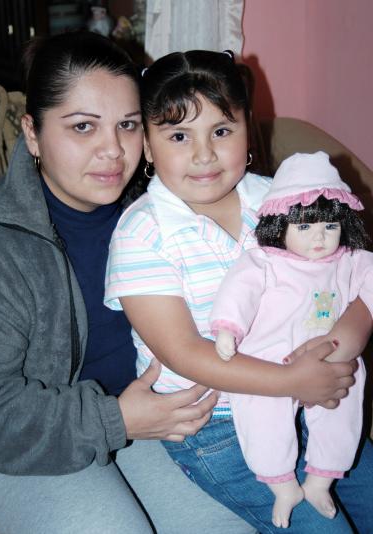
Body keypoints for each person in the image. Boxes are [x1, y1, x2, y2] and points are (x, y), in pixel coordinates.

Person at [0, 31, 267, 534]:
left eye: (127, 125)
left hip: (147, 418)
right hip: (21, 440)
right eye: (83, 127)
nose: (112, 151)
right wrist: (116, 420)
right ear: (33, 132)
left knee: (245, 521)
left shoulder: (160, 204)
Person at [104, 50, 373, 533]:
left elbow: (359, 280)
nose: (204, 155)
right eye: (179, 136)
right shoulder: (142, 233)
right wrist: (292, 381)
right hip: (216, 424)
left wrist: (341, 346)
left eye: (221, 132)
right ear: (146, 146)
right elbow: (185, 351)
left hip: (311, 401)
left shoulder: (281, 202)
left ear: (248, 130)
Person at [211, 151, 373, 528]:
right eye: (305, 227)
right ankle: (282, 485)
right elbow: (240, 291)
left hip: (333, 366)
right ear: (280, 226)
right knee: (261, 417)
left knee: (342, 411)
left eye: (330, 227)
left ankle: (321, 479)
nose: (319, 238)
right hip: (269, 362)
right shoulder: (265, 261)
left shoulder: (351, 261)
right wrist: (228, 328)